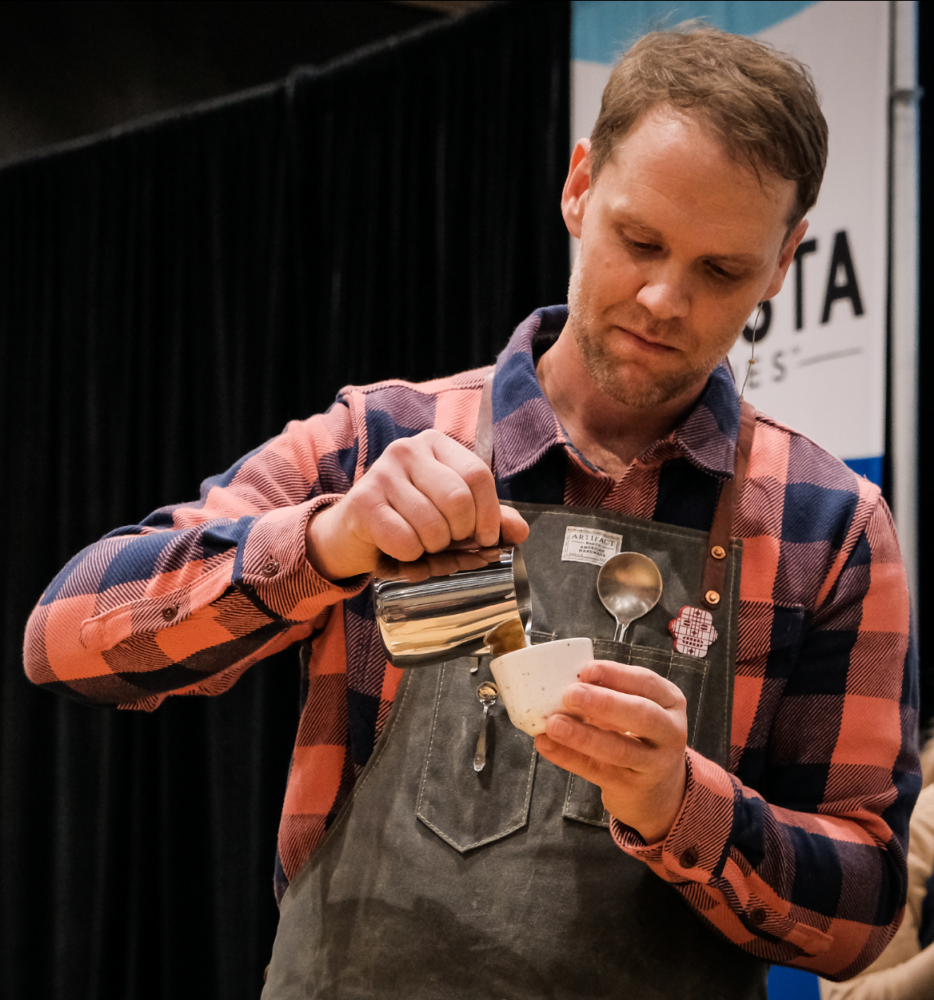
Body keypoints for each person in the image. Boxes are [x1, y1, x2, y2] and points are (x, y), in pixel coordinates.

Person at [24, 25, 919, 999]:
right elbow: (68, 639)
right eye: (640, 241)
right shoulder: (378, 438)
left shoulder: (826, 526)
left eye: (721, 271)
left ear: (784, 261)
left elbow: (867, 909)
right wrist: (326, 543)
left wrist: (681, 804)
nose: (665, 298)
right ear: (579, 185)